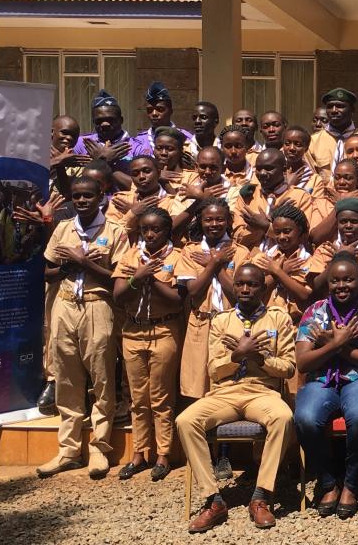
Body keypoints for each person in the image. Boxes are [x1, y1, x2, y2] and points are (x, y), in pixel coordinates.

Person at [178, 263, 296, 533]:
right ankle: (213, 499)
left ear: (263, 289)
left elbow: (288, 367)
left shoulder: (278, 318)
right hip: (226, 392)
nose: (245, 289)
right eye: (240, 284)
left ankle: (261, 496)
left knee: (283, 417)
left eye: (252, 284)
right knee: (186, 421)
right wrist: (236, 356)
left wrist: (259, 358)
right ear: (234, 287)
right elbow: (212, 369)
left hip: (262, 390)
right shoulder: (221, 320)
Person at [36, 175, 128, 479]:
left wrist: (85, 262)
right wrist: (67, 265)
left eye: (88, 195)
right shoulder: (63, 228)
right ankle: (68, 450)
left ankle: (100, 447)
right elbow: (48, 271)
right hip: (65, 304)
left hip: (97, 304)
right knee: (66, 376)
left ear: (101, 196)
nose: (82, 201)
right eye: (77, 196)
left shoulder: (115, 231)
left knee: (101, 375)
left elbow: (118, 278)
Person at [294, 252, 358, 519]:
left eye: (348, 279)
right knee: (305, 417)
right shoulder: (313, 312)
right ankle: (327, 482)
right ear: (328, 284)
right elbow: (302, 363)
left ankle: (351, 483)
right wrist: (337, 344)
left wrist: (337, 346)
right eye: (335, 280)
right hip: (323, 380)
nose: (341, 286)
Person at [112, 207, 186, 481]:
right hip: (133, 330)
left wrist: (150, 279)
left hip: (164, 328)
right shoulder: (131, 255)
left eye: (156, 229)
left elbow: (178, 299)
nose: (151, 234)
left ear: (167, 231)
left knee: (161, 396)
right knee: (137, 397)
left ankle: (163, 454)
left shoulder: (177, 257)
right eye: (145, 229)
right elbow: (118, 295)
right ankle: (139, 453)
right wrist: (136, 277)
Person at [176, 199, 251, 400]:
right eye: (208, 220)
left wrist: (215, 266)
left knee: (229, 383)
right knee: (198, 386)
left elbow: (239, 295)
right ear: (200, 222)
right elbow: (194, 291)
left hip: (231, 322)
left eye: (220, 219)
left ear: (228, 221)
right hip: (201, 321)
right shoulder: (191, 251)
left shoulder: (240, 251)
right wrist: (215, 263)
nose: (214, 224)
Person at [231, 148, 314, 249]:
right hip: (250, 261)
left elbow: (303, 238)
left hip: (285, 260)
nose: (262, 173)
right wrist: (259, 228)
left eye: (269, 168)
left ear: (284, 169)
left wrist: (265, 226)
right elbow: (238, 240)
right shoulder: (248, 196)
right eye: (258, 168)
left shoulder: (300, 197)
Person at [308, 88, 358, 181]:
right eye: (330, 106)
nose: (334, 110)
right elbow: (310, 178)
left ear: (352, 109)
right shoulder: (313, 142)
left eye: (340, 106)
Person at [75, 90, 135, 189]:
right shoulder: (81, 144)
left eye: (110, 120)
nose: (104, 124)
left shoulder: (135, 146)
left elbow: (141, 187)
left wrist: (106, 163)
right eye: (99, 121)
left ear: (121, 120)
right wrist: (101, 161)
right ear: (93, 121)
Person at [132, 81, 195, 157]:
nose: (154, 113)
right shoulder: (139, 142)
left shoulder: (186, 138)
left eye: (160, 109)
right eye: (150, 110)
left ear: (171, 111)